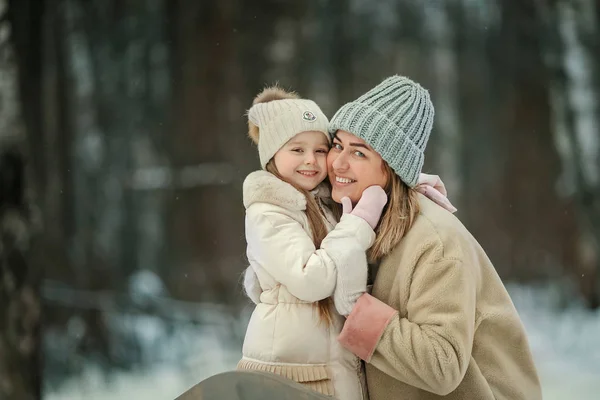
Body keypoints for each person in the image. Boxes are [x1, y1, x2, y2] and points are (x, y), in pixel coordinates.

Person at [327, 75, 543, 400]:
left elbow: (443, 365)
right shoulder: (363, 219)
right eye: (337, 145)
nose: (338, 162)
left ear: (391, 169)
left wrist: (357, 308)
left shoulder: (436, 243)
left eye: (359, 153)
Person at [238, 85, 454, 399]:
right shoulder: (268, 213)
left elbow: (363, 177)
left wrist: (408, 180)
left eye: (321, 150)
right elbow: (312, 280)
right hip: (288, 373)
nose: (311, 160)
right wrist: (358, 223)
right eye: (297, 150)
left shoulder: (320, 200)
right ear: (272, 153)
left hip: (328, 367)